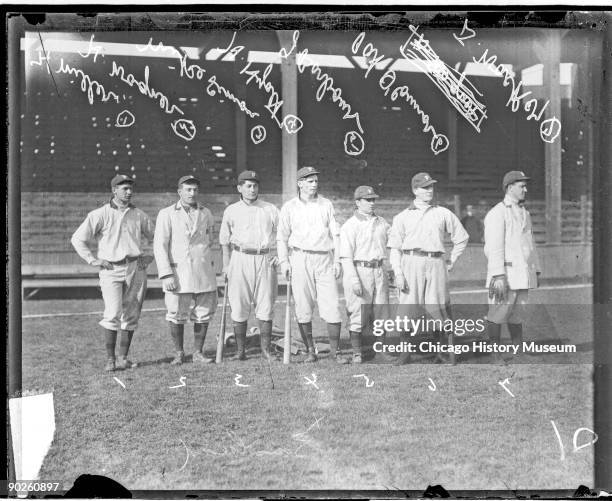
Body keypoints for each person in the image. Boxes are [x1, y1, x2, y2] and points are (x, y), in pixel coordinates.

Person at [71, 174, 155, 372]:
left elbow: (156, 237)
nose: (129, 192)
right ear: (114, 191)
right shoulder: (100, 214)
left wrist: (149, 255)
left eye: (130, 188)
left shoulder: (139, 214)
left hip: (135, 267)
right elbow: (77, 239)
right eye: (124, 188)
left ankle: (123, 358)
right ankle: (110, 360)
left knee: (132, 315)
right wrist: (94, 260)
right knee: (112, 313)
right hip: (111, 269)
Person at [388, 172, 469, 364]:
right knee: (407, 309)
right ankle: (405, 353)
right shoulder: (402, 216)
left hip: (436, 263)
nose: (430, 190)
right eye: (425, 187)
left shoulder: (443, 213)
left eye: (431, 186)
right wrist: (398, 273)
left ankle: (442, 352)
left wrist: (451, 260)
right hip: (411, 262)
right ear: (415, 190)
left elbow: (462, 237)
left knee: (438, 307)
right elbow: (394, 249)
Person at [277, 166, 347, 364]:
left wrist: (337, 260)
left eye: (315, 180)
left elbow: (336, 234)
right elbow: (281, 237)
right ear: (299, 183)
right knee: (303, 306)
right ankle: (310, 350)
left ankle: (336, 352)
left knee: (332, 305)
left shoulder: (326, 204)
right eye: (309, 180)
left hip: (324, 258)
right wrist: (284, 261)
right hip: (300, 258)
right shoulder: (289, 207)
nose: (314, 184)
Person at [154, 175, 218, 365]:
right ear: (179, 192)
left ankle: (198, 353)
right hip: (178, 273)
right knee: (176, 312)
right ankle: (179, 353)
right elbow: (160, 245)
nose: (192, 193)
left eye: (195, 190)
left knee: (204, 311)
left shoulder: (206, 212)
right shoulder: (166, 213)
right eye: (188, 190)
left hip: (202, 270)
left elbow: (209, 240)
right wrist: (166, 274)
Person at [219, 170, 280, 361]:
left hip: (264, 258)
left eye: (255, 185)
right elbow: (224, 241)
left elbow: (282, 235)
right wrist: (226, 265)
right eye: (248, 186)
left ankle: (266, 349)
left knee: (266, 304)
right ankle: (240, 351)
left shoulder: (270, 209)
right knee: (238, 304)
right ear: (239, 188)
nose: (252, 189)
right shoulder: (231, 210)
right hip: (240, 257)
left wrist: (278, 254)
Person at [484, 170, 541, 363]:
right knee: (498, 312)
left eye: (525, 185)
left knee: (518, 314)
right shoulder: (497, 213)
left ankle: (519, 351)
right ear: (509, 188)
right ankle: (495, 354)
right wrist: (498, 276)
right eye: (521, 185)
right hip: (505, 275)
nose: (526, 189)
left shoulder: (525, 213)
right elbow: (494, 247)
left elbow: (531, 244)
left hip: (523, 273)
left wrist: (536, 270)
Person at [340, 186, 391, 363]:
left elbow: (392, 241)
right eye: (367, 200)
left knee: (381, 311)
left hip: (379, 269)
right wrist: (354, 280)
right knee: (358, 312)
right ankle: (357, 352)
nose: (371, 203)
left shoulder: (381, 222)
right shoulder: (350, 225)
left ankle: (381, 350)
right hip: (359, 270)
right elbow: (345, 256)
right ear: (357, 202)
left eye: (373, 200)